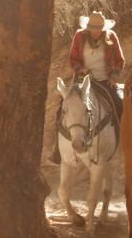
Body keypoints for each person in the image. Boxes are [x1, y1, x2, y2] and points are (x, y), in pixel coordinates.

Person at [53, 11, 124, 165]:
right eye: (93, 28)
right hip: (81, 81)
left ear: (103, 28)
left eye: (99, 28)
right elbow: (72, 58)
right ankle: (57, 150)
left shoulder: (111, 37)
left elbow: (120, 61)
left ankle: (119, 140)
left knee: (119, 102)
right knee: (61, 107)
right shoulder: (79, 37)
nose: (96, 31)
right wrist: (81, 68)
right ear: (88, 27)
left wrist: (114, 76)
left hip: (104, 80)